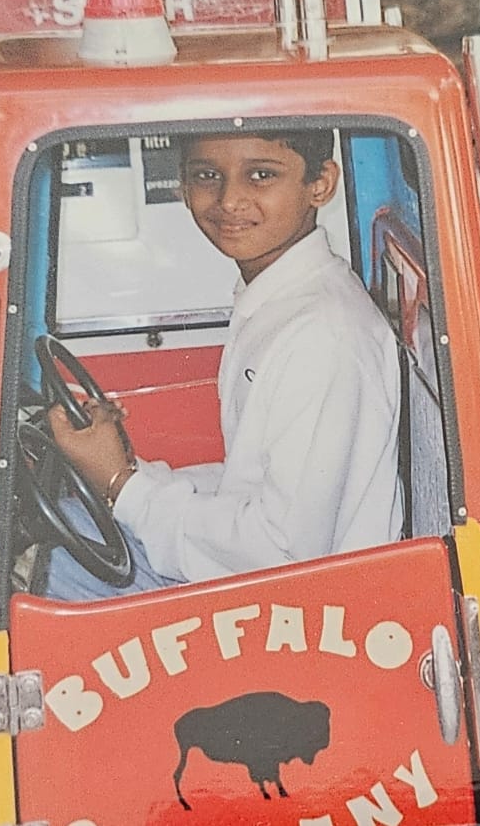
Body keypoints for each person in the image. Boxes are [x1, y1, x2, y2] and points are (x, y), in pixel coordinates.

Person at [40, 129, 405, 600]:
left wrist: (122, 485)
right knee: (66, 525)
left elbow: (280, 550)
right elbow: (245, 486)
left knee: (41, 574)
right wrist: (122, 471)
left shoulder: (322, 334)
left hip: (306, 606)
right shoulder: (279, 301)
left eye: (261, 175)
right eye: (207, 176)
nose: (230, 200)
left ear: (321, 184)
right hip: (270, 578)